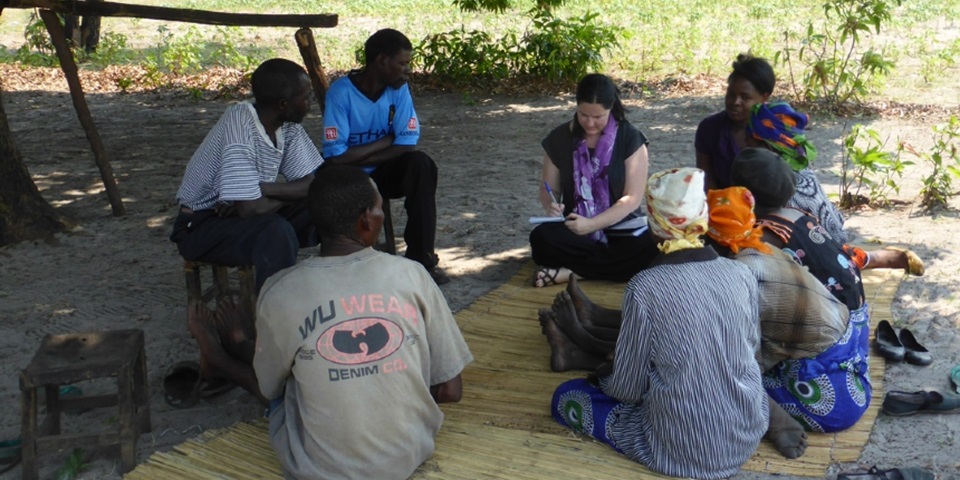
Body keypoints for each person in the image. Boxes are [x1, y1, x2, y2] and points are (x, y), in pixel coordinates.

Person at [253, 165, 473, 480]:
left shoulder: (280, 290)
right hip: (406, 456)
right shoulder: (412, 275)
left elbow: (268, 387)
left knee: (290, 380)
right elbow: (451, 389)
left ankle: (223, 353)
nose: (382, 215)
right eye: (381, 207)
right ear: (365, 219)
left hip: (320, 469)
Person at [548, 168, 768, 480]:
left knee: (567, 397)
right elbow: (752, 354)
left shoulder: (645, 286)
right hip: (746, 435)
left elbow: (627, 388)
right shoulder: (741, 274)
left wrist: (605, 379)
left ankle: (583, 354)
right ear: (703, 217)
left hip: (675, 450)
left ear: (654, 227)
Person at [732, 147, 873, 432]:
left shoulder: (765, 239)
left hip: (827, 346)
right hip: (855, 331)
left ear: (742, 194)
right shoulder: (799, 214)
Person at [171, 58, 324, 292]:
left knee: (328, 203)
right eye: (306, 97)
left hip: (241, 210)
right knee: (275, 231)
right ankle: (272, 314)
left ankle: (339, 287)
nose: (310, 102)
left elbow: (312, 185)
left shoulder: (288, 126)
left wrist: (260, 190)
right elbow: (250, 209)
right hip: (201, 224)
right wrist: (256, 198)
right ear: (284, 104)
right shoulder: (240, 124)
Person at [321, 28, 449, 285]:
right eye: (402, 64)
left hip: (382, 171)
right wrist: (385, 141)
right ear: (381, 60)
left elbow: (407, 145)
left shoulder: (398, 89)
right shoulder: (341, 92)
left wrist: (359, 153)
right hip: (349, 178)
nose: (408, 70)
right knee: (334, 177)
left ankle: (421, 260)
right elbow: (335, 158)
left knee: (421, 165)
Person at [745, 101, 924, 275]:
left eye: (748, 138)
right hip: (835, 243)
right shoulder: (799, 166)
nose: (743, 141)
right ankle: (877, 258)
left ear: (764, 145)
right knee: (844, 257)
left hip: (816, 252)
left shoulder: (774, 181)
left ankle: (866, 259)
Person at [529, 73, 657, 288]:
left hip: (622, 228)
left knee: (649, 248)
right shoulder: (560, 137)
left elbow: (632, 199)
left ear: (611, 108)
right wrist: (550, 205)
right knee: (541, 239)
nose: (589, 123)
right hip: (575, 226)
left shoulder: (630, 138)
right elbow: (549, 188)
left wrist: (592, 225)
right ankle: (604, 268)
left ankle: (575, 273)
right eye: (583, 114)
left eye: (598, 117)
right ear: (576, 106)